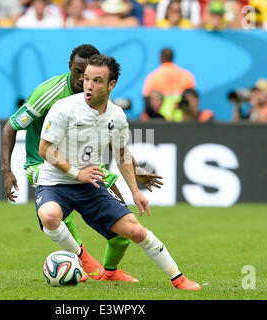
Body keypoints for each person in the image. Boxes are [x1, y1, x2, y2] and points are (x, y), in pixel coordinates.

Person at [36, 54, 201, 290]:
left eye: (97, 81)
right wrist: (76, 173)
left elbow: (122, 154)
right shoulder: (64, 108)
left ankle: (179, 279)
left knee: (135, 230)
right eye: (86, 79)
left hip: (90, 186)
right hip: (55, 184)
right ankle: (83, 258)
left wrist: (135, 190)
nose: (89, 86)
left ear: (111, 85)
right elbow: (45, 148)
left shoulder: (117, 116)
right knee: (50, 216)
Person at [1, 44, 163, 283]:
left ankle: (110, 271)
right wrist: (6, 170)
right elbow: (11, 126)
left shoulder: (96, 98)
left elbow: (110, 139)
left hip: (86, 168)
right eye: (78, 73)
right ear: (70, 67)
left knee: (121, 218)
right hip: (42, 163)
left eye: (86, 75)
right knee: (56, 208)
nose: (81, 80)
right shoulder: (49, 93)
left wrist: (135, 171)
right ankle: (84, 260)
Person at [142, 47, 196, 121]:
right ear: (172, 57)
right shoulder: (187, 76)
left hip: (161, 119)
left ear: (161, 58)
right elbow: (192, 101)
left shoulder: (152, 77)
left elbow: (147, 102)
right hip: (182, 119)